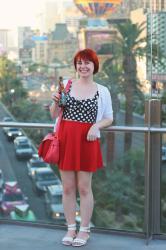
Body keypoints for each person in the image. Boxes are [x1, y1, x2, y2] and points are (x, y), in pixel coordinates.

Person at [50, 48, 113, 247]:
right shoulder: (66, 85)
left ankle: (84, 230)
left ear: (95, 66)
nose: (83, 66)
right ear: (75, 66)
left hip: (87, 141)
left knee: (84, 188)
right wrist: (55, 102)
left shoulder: (102, 90)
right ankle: (70, 228)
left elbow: (109, 118)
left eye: (87, 63)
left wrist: (96, 125)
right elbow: (54, 114)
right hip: (66, 140)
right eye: (79, 63)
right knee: (67, 188)